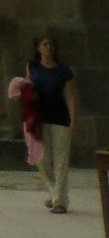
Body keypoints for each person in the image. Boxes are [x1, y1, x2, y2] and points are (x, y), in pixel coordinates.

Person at [27, 35, 78, 213]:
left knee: (61, 161)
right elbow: (28, 92)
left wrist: (72, 119)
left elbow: (70, 95)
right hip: (39, 119)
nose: (48, 47)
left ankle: (60, 202)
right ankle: (53, 191)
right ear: (38, 48)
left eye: (51, 44)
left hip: (60, 118)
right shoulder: (33, 68)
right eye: (45, 44)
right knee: (41, 159)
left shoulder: (64, 71)